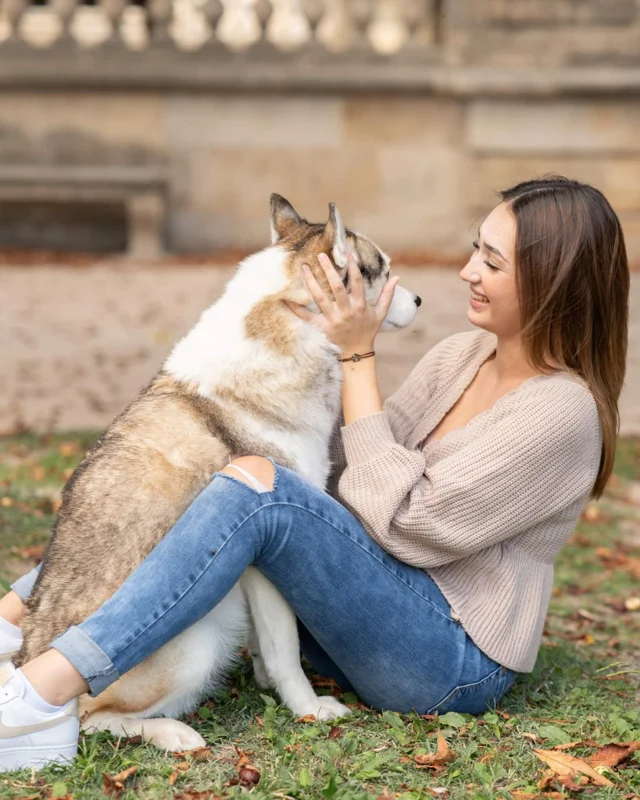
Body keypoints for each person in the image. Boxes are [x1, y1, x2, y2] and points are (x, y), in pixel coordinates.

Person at [0, 176, 629, 770]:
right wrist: (263, 379)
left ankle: (41, 693)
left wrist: (357, 357)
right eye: (475, 251)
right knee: (189, 475)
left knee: (261, 489)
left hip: (446, 656)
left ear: (553, 283)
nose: (467, 271)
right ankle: (12, 621)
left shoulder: (561, 412)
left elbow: (408, 525)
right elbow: (351, 462)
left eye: (491, 262)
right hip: (361, 606)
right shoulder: (462, 356)